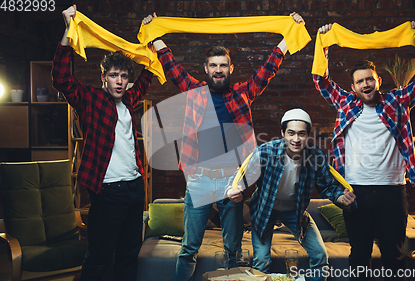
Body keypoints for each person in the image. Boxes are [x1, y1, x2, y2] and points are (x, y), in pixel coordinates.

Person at [142, 12, 305, 281]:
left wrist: (289, 36)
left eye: (223, 65)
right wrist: (155, 35)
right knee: (189, 249)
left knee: (233, 249)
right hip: (200, 181)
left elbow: (267, 71)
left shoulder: (242, 93)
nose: (219, 70)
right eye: (214, 65)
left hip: (232, 181)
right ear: (206, 69)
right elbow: (172, 68)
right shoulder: (194, 91)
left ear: (230, 69)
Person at [312, 21, 415, 279]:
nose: (366, 84)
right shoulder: (345, 102)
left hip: (392, 191)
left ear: (378, 80)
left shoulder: (397, 100)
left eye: (370, 79)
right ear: (353, 87)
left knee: (393, 255)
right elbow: (320, 80)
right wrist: (323, 44)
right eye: (360, 81)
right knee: (359, 254)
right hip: (355, 191)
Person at [52, 5, 153, 281]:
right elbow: (61, 79)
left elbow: (150, 71)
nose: (119, 81)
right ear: (103, 78)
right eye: (113, 75)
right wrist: (67, 33)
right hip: (108, 192)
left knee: (128, 256)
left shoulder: (131, 99)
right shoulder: (91, 99)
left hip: (134, 189)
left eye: (123, 76)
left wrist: (152, 34)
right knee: (99, 258)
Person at [227, 108, 356, 281]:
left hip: (295, 212)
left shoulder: (316, 156)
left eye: (301, 134)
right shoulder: (265, 152)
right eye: (291, 133)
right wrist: (232, 190)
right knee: (261, 261)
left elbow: (328, 186)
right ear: (282, 133)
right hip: (264, 211)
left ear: (308, 135)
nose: (296, 139)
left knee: (320, 255)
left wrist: (340, 197)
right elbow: (242, 177)